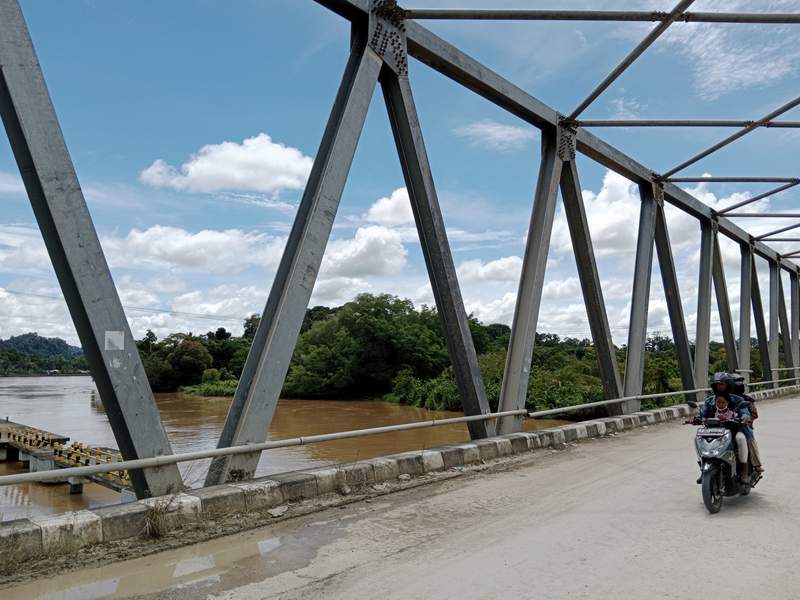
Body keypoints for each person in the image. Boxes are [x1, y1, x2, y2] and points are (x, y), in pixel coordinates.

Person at [697, 373, 754, 482]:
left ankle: (744, 470)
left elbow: (744, 412)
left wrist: (745, 418)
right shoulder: (710, 401)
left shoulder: (737, 399)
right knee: (698, 438)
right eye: (718, 385)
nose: (720, 387)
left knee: (741, 439)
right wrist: (697, 418)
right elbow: (702, 414)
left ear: (728, 385)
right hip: (714, 430)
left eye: (722, 384)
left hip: (734, 430)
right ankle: (704, 468)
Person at [731, 374, 764, 473]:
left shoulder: (747, 400)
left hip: (742, 425)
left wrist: (747, 420)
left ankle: (756, 464)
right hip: (725, 426)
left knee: (750, 439)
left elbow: (754, 414)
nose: (738, 386)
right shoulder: (721, 398)